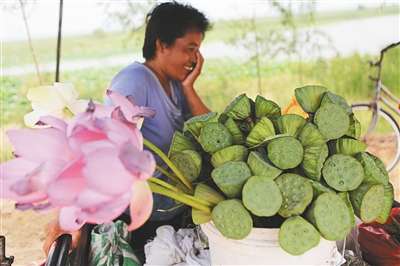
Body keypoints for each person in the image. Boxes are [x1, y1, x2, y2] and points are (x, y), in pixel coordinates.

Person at [43, 2, 211, 262]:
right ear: (162, 44)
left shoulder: (176, 86)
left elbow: (210, 132)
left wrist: (189, 87)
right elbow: (101, 148)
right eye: (190, 49)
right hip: (138, 218)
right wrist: (67, 218)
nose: (194, 59)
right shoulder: (135, 80)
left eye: (198, 50)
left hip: (170, 214)